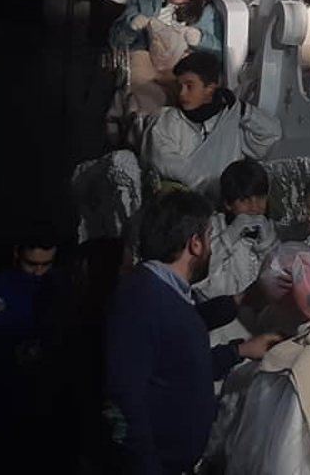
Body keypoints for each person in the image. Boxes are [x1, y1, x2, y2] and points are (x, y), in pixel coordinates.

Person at [105, 190, 279, 475]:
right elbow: (124, 403)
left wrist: (239, 330)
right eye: (210, 236)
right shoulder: (140, 300)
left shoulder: (163, 292)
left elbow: (180, 357)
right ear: (195, 244)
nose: (211, 247)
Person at [0, 230, 64, 473]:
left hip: (47, 410)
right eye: (32, 264)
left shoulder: (61, 289)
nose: (39, 271)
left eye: (46, 264)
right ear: (17, 254)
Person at [140, 52, 282, 200]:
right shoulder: (165, 120)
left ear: (210, 89)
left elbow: (271, 134)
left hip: (228, 204)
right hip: (183, 204)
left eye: (189, 86)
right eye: (179, 86)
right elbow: (162, 161)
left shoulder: (230, 120)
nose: (182, 93)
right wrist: (211, 187)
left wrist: (243, 110)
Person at [108, 0, 224, 125]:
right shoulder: (145, 1)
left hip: (180, 69)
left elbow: (219, 53)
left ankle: (163, 118)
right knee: (140, 72)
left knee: (190, 85)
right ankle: (140, 114)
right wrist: (131, 26)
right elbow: (116, 40)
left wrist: (201, 39)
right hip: (147, 63)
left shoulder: (205, 10)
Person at [194, 160, 278, 302]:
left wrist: (267, 246)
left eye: (260, 198)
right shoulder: (210, 229)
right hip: (217, 310)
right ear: (228, 203)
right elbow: (196, 274)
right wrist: (229, 237)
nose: (255, 207)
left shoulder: (268, 230)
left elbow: (278, 279)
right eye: (245, 200)